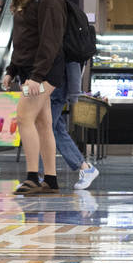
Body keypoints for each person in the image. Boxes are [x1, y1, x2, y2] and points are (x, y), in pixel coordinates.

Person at [1, 0, 66, 194]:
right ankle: (50, 179)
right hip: (31, 69)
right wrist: (12, 69)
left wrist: (36, 77)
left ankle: (32, 176)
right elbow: (23, 39)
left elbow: (51, 41)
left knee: (23, 117)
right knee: (42, 122)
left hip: (44, 71)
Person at [42, 61, 100, 191]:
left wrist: (75, 93)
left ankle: (40, 176)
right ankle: (85, 167)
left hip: (55, 84)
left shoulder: (62, 41)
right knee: (55, 129)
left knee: (45, 128)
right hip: (53, 83)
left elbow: (70, 60)